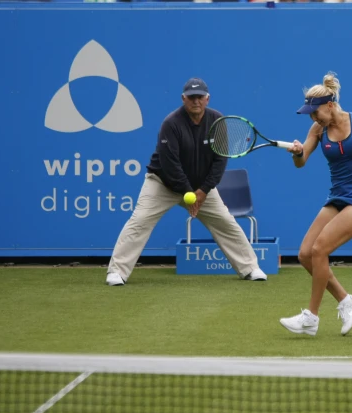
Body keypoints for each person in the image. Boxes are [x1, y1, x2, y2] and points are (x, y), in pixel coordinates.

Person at [106, 78, 268, 286]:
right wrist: (188, 192)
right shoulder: (171, 124)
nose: (196, 101)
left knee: (226, 223)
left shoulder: (217, 121)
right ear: (184, 99)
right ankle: (117, 272)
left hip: (202, 188)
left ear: (207, 99)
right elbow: (170, 163)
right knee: (140, 221)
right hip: (163, 184)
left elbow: (220, 161)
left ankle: (250, 268)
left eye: (200, 97)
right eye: (191, 97)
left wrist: (202, 191)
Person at [279, 72, 352, 336]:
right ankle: (347, 301)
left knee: (319, 249)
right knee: (305, 255)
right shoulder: (317, 129)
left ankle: (311, 318)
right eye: (310, 114)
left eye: (316, 112)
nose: (313, 118)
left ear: (330, 105)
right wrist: (296, 152)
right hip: (338, 198)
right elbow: (302, 160)